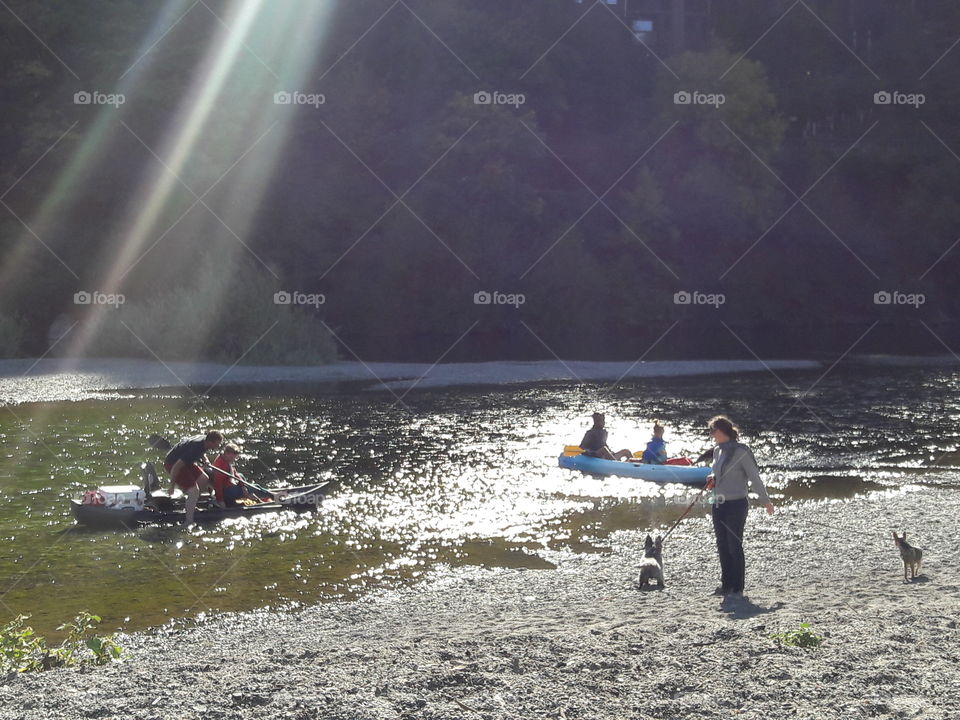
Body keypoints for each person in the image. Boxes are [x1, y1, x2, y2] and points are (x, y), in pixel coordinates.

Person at [705, 415, 774, 600]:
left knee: (734, 545)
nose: (711, 435)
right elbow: (716, 471)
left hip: (737, 504)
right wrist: (712, 478)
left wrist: (765, 501)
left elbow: (754, 477)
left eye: (713, 431)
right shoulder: (717, 451)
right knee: (722, 544)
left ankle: (737, 587)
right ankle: (726, 584)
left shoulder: (742, 451)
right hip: (718, 502)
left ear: (722, 431)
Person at [164, 430, 223, 525]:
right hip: (172, 464)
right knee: (194, 491)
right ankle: (188, 521)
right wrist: (172, 486)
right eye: (217, 444)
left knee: (204, 479)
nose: (218, 446)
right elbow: (175, 468)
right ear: (210, 442)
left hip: (185, 462)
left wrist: (205, 460)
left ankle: (191, 504)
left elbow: (202, 451)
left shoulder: (204, 440)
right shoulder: (195, 449)